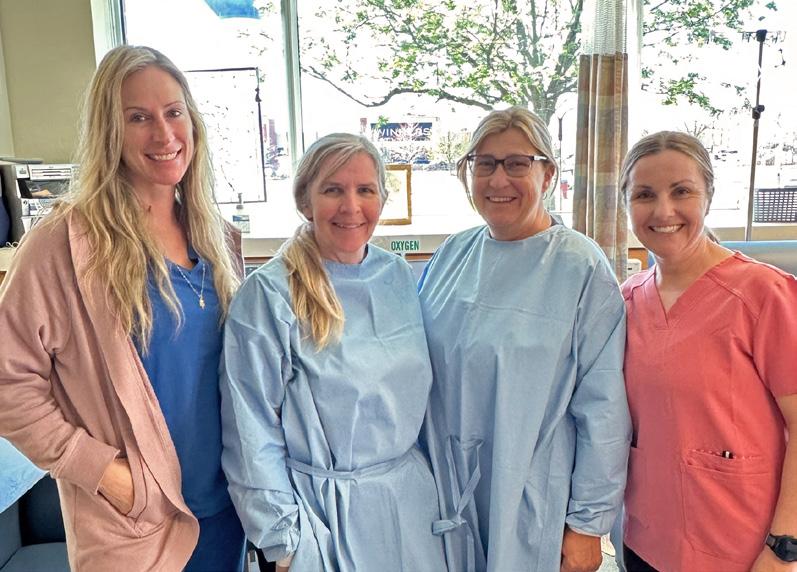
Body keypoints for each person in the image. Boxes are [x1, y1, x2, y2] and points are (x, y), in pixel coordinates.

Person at [0, 45, 245, 571]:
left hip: (226, 516)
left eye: (173, 112)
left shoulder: (219, 239)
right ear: (109, 131)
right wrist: (102, 471)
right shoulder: (64, 244)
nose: (164, 134)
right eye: (138, 117)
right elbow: (6, 381)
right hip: (133, 527)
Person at [219, 133, 447, 572]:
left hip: (407, 506)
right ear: (305, 201)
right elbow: (249, 429)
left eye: (365, 190)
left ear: (382, 199)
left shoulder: (397, 277)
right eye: (333, 190)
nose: (351, 206)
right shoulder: (270, 294)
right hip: (320, 517)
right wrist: (283, 543)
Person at [418, 106, 631, 572]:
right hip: (443, 492)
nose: (498, 180)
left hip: (531, 500)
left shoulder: (580, 267)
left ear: (548, 173)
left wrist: (587, 525)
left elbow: (604, 410)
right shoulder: (453, 254)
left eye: (517, 163)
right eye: (484, 164)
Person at [620, 131, 797, 572]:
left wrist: (785, 546)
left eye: (681, 191)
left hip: (743, 548)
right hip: (646, 540)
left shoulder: (763, 294)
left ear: (709, 196)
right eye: (644, 194)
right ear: (626, 205)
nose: (663, 211)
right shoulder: (625, 301)